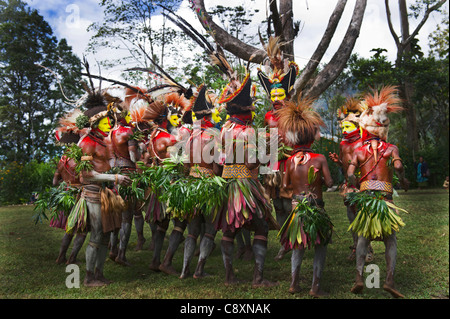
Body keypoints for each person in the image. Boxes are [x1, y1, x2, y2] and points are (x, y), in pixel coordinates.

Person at [214, 69, 277, 288]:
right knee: (261, 228)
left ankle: (229, 276)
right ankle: (258, 278)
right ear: (245, 112)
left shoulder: (223, 130)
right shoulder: (247, 132)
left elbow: (219, 161)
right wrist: (266, 150)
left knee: (229, 229)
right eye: (251, 110)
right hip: (245, 184)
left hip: (228, 183)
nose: (252, 114)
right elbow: (251, 163)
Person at [347, 86, 409, 298]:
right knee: (390, 239)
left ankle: (358, 278)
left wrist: (353, 185)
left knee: (364, 238)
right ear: (383, 127)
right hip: (385, 198)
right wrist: (403, 179)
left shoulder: (358, 151)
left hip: (366, 198)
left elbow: (349, 174)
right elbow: (399, 168)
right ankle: (389, 281)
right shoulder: (391, 148)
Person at [69, 87, 132, 287]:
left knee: (106, 235)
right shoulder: (86, 143)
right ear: (94, 123)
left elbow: (111, 162)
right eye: (106, 122)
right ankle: (88, 278)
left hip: (106, 192)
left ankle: (99, 273)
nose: (110, 124)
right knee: (96, 235)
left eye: (110, 121)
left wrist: (121, 174)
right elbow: (86, 174)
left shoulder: (104, 142)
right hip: (92, 194)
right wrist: (114, 176)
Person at [275, 97, 334, 297]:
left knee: (298, 244)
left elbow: (284, 185)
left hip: (297, 206)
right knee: (321, 244)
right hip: (315, 205)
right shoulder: (320, 159)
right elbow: (330, 183)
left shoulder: (290, 161)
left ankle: (294, 283)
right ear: (310, 138)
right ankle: (315, 287)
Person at [257, 36, 300, 261]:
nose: (275, 98)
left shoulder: (294, 113)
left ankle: (295, 239)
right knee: (278, 206)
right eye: (272, 95)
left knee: (289, 203)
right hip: (273, 163)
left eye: (279, 94)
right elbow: (268, 138)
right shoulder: (267, 116)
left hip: (292, 163)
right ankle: (285, 242)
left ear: (287, 94)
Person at [179, 85, 221, 279]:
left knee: (192, 231)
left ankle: (184, 270)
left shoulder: (189, 138)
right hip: (209, 184)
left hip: (191, 186)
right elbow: (217, 167)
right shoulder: (215, 136)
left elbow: (185, 166)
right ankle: (198, 270)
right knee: (210, 230)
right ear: (208, 117)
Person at [328, 97, 374, 261]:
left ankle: (367, 249)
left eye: (348, 126)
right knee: (351, 216)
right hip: (350, 186)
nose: (344, 130)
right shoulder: (342, 144)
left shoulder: (364, 143)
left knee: (363, 217)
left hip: (363, 185)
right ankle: (356, 247)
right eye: (343, 127)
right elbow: (345, 167)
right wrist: (339, 162)